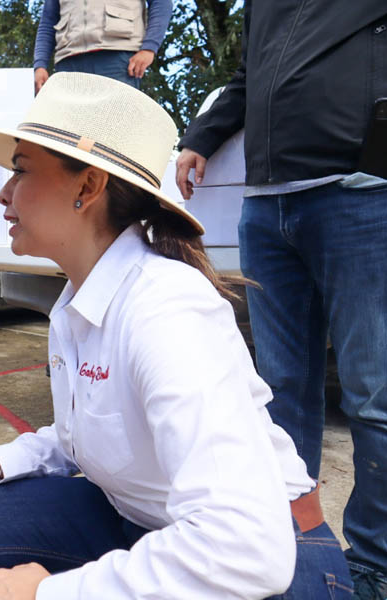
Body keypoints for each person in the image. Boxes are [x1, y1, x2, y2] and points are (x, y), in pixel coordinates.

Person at [0, 73, 353, 600]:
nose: (3, 192)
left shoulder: (164, 309)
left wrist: (46, 593)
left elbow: (247, 548)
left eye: (20, 169)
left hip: (278, 562)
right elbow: (84, 433)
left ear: (87, 187)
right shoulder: (77, 304)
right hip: (150, 524)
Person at [175, 4, 387, 598]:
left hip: (361, 193)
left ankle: (375, 564)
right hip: (267, 204)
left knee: (374, 396)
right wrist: (201, 137)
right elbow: (250, 77)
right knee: (278, 392)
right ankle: (288, 544)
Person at [33, 0, 172, 93]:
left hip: (117, 58)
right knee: (69, 131)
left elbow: (162, 3)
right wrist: (40, 65)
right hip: (68, 63)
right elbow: (48, 21)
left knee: (114, 126)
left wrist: (149, 48)